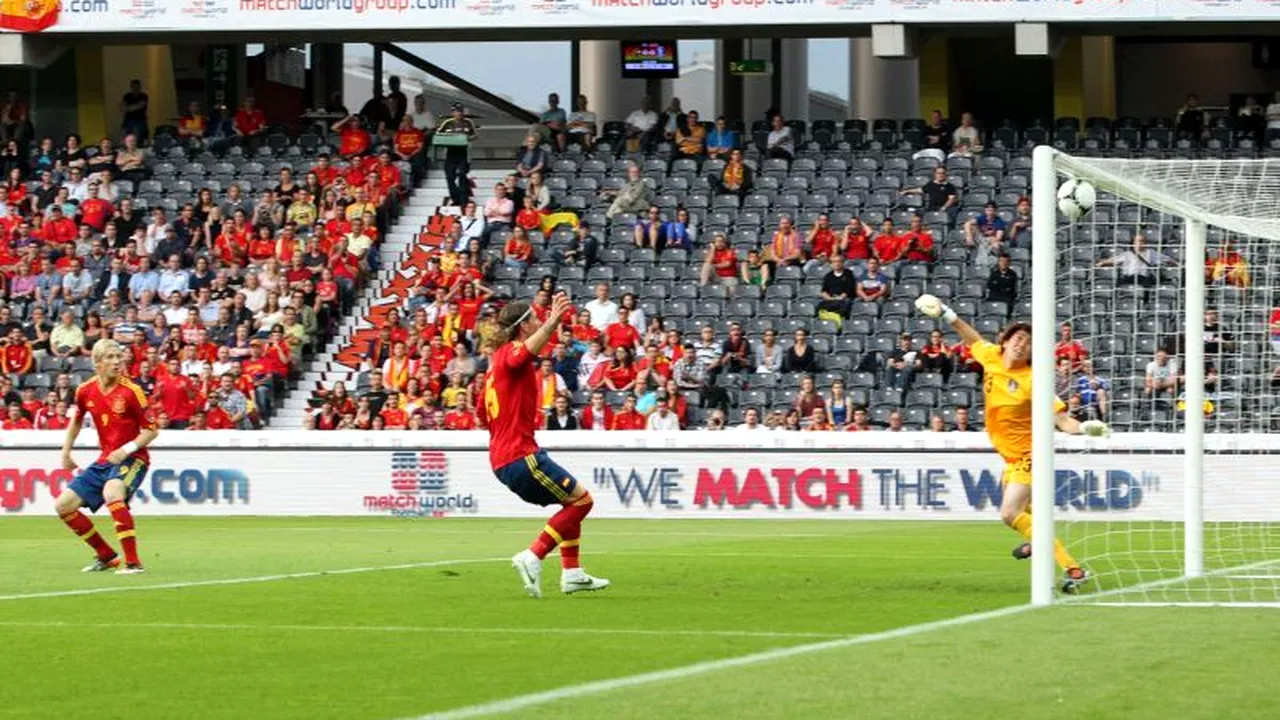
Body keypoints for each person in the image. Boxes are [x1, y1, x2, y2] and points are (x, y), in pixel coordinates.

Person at [914, 293, 1107, 593]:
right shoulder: (991, 356)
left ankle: (1068, 566)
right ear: (1005, 341)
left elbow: (1062, 421)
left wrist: (1085, 428)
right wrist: (947, 314)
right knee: (1031, 520)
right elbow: (970, 337)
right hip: (1010, 457)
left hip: (1031, 456)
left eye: (1028, 342)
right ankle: (1056, 558)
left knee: (1009, 513)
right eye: (1018, 337)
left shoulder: (1033, 380)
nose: (1021, 343)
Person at [478, 294, 609, 598]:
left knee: (571, 501)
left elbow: (482, 414)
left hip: (503, 458)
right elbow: (519, 356)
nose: (539, 323)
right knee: (582, 502)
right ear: (524, 327)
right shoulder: (510, 354)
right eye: (534, 319)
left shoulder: (492, 367)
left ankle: (572, 573)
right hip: (520, 456)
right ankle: (533, 555)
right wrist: (552, 322)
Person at [52, 339, 158, 574]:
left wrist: (126, 449)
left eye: (119, 356)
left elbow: (152, 430)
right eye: (110, 357)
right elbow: (77, 420)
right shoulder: (85, 390)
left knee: (112, 492)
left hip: (133, 459)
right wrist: (66, 450)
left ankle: (133, 562)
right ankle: (106, 555)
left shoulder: (132, 391)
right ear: (97, 362)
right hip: (106, 459)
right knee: (63, 506)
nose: (117, 362)